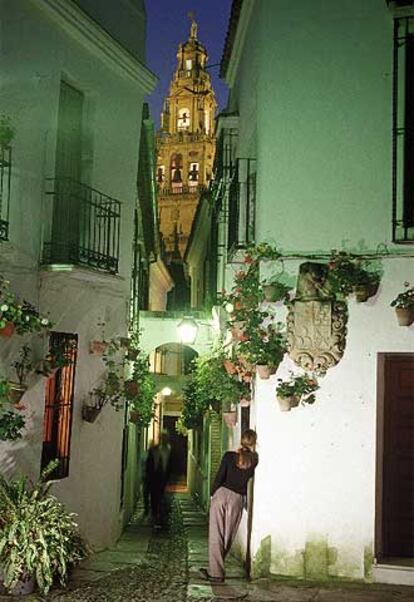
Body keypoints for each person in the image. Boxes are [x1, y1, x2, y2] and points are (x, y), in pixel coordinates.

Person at [200, 429, 258, 584]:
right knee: (228, 535)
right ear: (254, 443)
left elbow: (220, 476)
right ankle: (216, 570)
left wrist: (213, 494)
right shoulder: (254, 460)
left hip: (221, 494)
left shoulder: (228, 456)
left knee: (216, 533)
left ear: (241, 440)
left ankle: (216, 572)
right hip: (237, 499)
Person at [145, 430, 172, 527]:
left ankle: (163, 518)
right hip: (155, 478)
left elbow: (173, 465)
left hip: (166, 479)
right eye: (162, 437)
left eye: (165, 438)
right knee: (154, 498)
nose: (163, 440)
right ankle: (155, 516)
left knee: (165, 499)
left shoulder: (171, 450)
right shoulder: (154, 449)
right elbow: (149, 464)